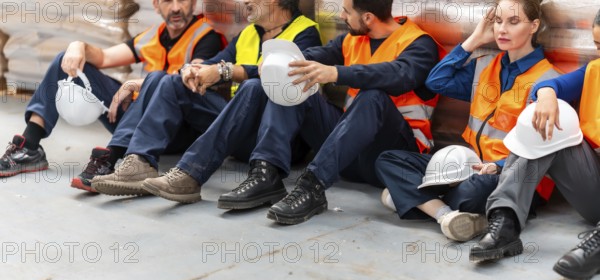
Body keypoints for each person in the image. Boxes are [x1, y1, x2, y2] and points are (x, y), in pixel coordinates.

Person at [135, 0, 445, 225]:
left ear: (367, 17)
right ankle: (251, 174)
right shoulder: (352, 38)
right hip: (348, 154)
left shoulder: (418, 44)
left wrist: (335, 73)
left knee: (374, 97)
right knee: (285, 78)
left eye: (345, 11)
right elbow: (298, 63)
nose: (339, 15)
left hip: (392, 155)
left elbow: (398, 75)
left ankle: (312, 188)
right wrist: (229, 71)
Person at [89, 0, 321, 196]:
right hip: (240, 125)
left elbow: (283, 72)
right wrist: (192, 71)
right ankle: (140, 161)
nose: (245, 2)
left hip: (278, 139)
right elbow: (216, 61)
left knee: (253, 86)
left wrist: (224, 71)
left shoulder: (305, 32)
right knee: (173, 82)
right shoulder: (249, 33)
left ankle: (190, 172)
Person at [374, 0, 560, 241]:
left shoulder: (548, 81)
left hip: (514, 177)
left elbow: (540, 148)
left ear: (534, 26)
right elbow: (436, 81)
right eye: (498, 21)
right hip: (469, 166)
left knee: (471, 192)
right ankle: (446, 215)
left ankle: (419, 202)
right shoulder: (484, 66)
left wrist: (499, 166)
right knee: (388, 161)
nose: (502, 29)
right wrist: (474, 40)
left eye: (513, 22)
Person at [2, 0, 225, 179]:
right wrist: (77, 46)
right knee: (64, 60)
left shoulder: (206, 36)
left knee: (157, 80)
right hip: (136, 119)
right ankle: (30, 146)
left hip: (176, 130)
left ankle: (111, 157)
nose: (176, 7)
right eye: (167, 1)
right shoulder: (152, 36)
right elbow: (105, 57)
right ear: (156, 5)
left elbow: (192, 80)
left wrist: (137, 84)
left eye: (183, 0)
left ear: (194, 4)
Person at [470, 8, 600, 280]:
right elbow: (550, 85)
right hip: (593, 186)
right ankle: (505, 223)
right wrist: (547, 94)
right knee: (545, 117)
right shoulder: (594, 70)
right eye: (599, 46)